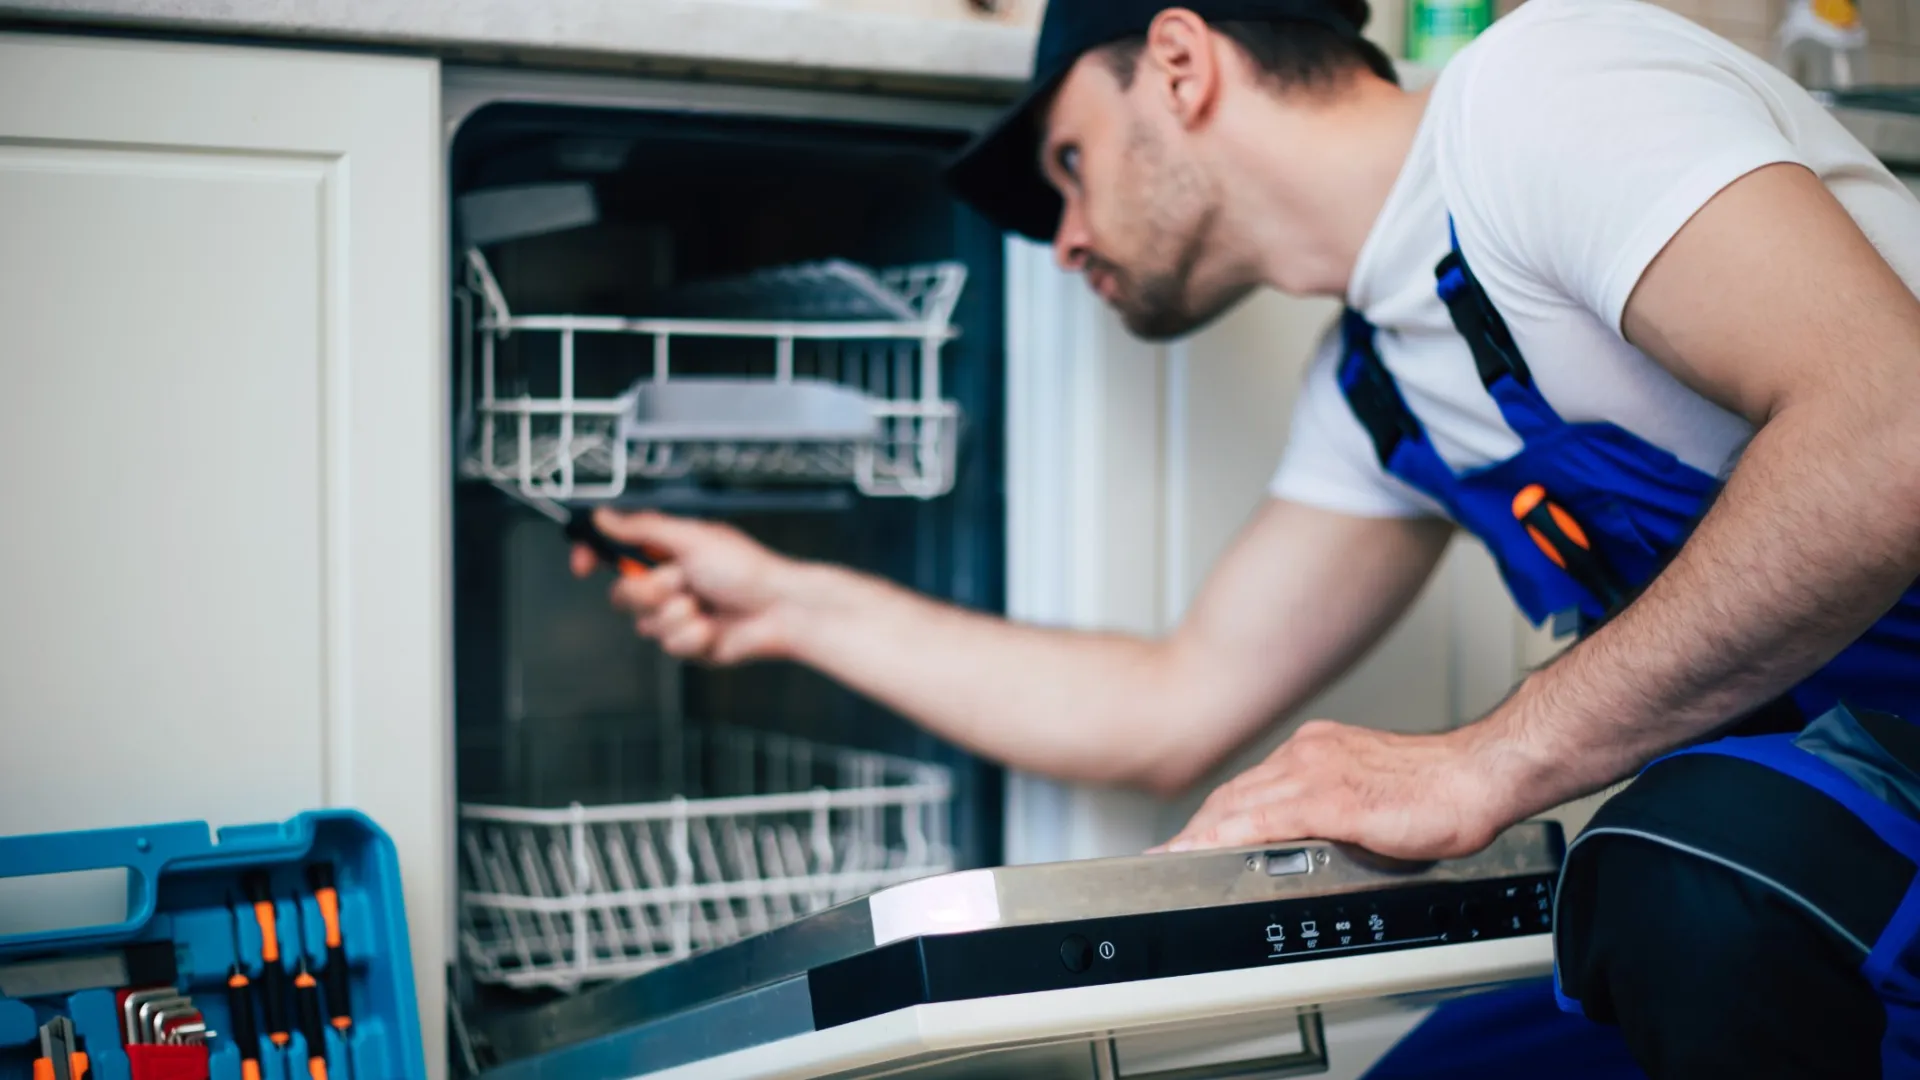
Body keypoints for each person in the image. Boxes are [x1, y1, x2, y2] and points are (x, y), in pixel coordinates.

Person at [573, 0, 1920, 1074]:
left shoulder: (1542, 92)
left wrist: (1486, 761)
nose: (1064, 241)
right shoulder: (1374, 383)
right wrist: (788, 603)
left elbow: (1890, 432)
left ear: (1178, 63)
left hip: (1854, 795)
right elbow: (1166, 707)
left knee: (1687, 886)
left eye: (1069, 164)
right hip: (1856, 785)